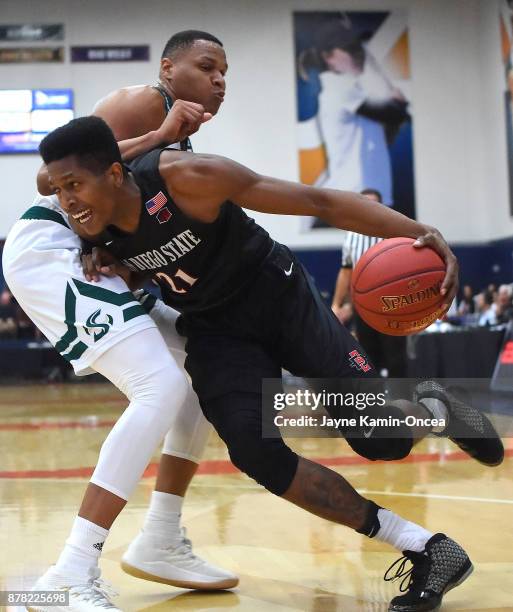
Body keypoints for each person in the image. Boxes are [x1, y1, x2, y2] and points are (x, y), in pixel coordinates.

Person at [42, 115, 504, 611]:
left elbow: (316, 201)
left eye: (75, 186)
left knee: (382, 440)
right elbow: (58, 194)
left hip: (281, 299)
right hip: (217, 329)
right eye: (60, 189)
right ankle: (424, 548)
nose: (66, 201)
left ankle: (436, 407)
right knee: (255, 451)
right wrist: (122, 268)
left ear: (114, 174)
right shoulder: (89, 225)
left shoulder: (186, 178)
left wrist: (421, 231)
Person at [3, 30, 237, 612]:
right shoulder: (144, 103)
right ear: (168, 69)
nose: (218, 80)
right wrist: (158, 135)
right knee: (158, 386)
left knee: (200, 363)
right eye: (206, 67)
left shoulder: (184, 136)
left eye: (224, 72)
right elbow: (50, 177)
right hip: (48, 251)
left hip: (97, 263)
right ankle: (67, 573)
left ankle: (161, 537)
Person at [299, 22, 409, 229]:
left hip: (366, 202)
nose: (358, 53)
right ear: (328, 56)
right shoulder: (339, 87)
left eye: (359, 47)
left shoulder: (357, 90)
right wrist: (392, 95)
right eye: (350, 49)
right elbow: (396, 112)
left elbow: (391, 124)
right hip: (349, 203)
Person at [331, 188, 407, 377]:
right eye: (365, 203)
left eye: (374, 204)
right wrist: (336, 304)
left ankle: (402, 401)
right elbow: (346, 271)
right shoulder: (351, 235)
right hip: (363, 304)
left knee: (396, 358)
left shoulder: (394, 231)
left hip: (393, 303)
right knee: (366, 356)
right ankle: (372, 401)